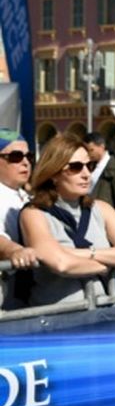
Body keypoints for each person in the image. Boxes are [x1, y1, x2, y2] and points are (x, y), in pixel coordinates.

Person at [18, 135, 115, 306]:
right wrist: (108, 264)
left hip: (105, 314)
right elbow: (61, 264)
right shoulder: (34, 214)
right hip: (55, 321)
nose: (86, 174)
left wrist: (87, 254)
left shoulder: (101, 208)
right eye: (76, 167)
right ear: (53, 173)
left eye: (90, 165)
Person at [0, 130, 40, 308]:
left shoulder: (26, 196)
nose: (25, 162)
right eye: (15, 156)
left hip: (26, 292)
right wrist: (16, 251)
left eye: (28, 156)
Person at [83, 132, 115, 205]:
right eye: (86, 151)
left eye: (91, 150)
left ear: (102, 146)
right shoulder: (87, 166)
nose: (89, 153)